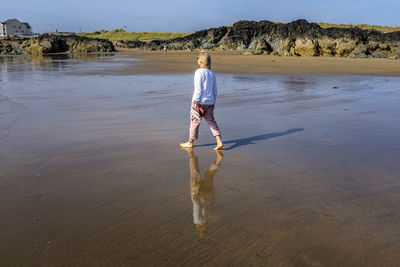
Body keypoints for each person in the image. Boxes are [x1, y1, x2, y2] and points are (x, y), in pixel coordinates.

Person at [180, 51, 223, 150]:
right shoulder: (212, 73)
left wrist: (195, 101)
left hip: (199, 102)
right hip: (210, 102)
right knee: (211, 121)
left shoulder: (199, 72)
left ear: (202, 61)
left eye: (198, 59)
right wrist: (213, 102)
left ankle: (190, 142)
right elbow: (215, 90)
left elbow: (198, 89)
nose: (197, 61)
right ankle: (219, 141)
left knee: (194, 122)